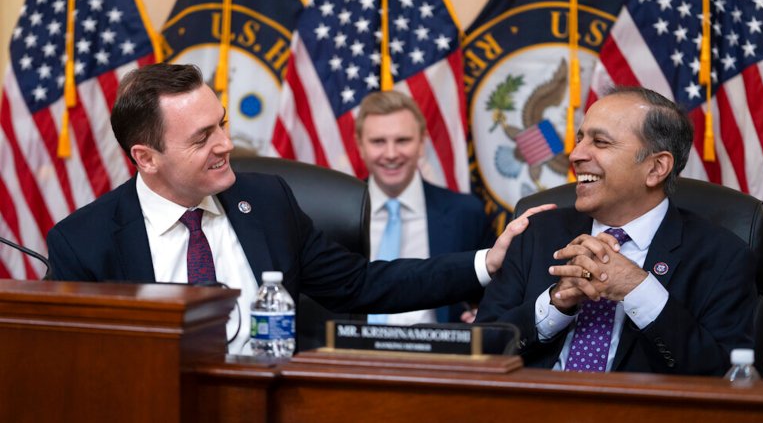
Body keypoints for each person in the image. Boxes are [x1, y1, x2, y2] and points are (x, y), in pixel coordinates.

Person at [46, 63, 551, 354]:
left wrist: (486, 261)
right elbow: (68, 367)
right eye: (203, 138)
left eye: (221, 123)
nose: (226, 143)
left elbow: (364, 284)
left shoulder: (265, 202)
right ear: (146, 158)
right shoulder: (85, 242)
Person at [476, 86, 757, 376]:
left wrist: (640, 290)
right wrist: (555, 304)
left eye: (600, 142)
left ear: (656, 168)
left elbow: (724, 378)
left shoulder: (723, 256)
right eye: (580, 139)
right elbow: (479, 349)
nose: (575, 155)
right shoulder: (537, 233)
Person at [355, 91, 494, 325]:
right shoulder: (336, 213)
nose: (391, 154)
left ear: (422, 143)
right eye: (378, 142)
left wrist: (485, 316)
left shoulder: (465, 213)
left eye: (402, 141)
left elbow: (497, 293)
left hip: (438, 355)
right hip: (348, 353)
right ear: (360, 146)